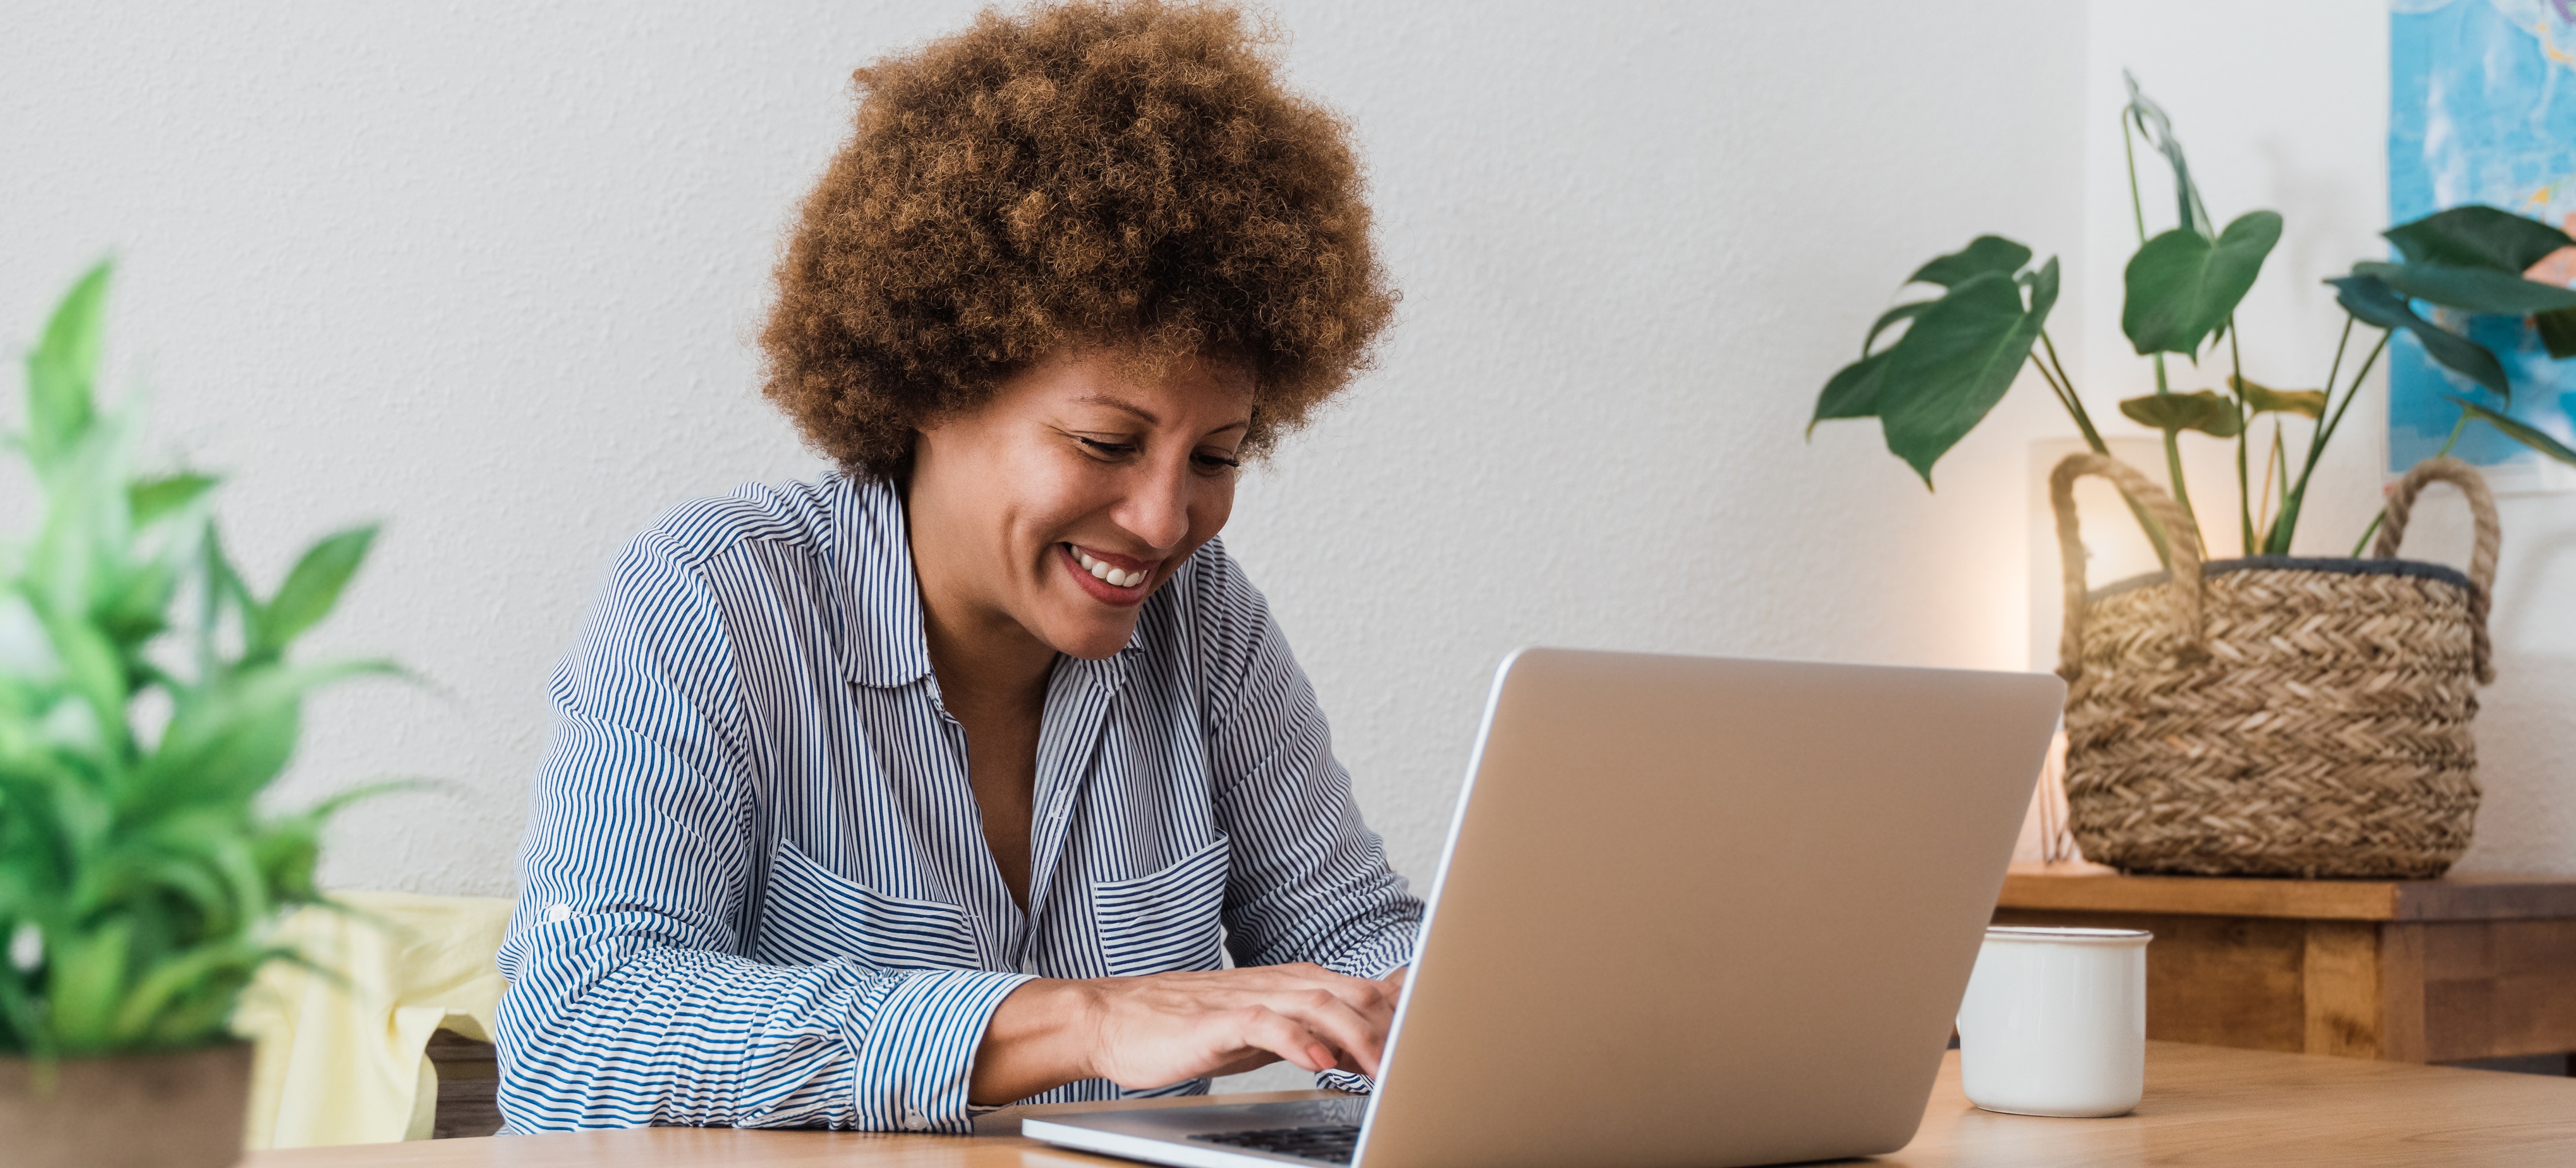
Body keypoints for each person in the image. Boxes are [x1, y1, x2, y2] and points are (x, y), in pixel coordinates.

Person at [493, 0, 1419, 1134]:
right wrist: (1078, 1022)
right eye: (1106, 444)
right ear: (931, 382)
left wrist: (1448, 1004)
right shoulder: (716, 599)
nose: (1164, 519)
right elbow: (578, 1032)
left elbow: (1351, 940)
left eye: (1215, 457)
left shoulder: (1203, 623)